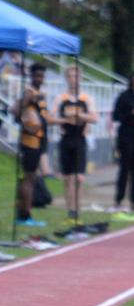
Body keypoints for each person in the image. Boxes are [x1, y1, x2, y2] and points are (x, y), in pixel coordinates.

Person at [53, 65, 98, 224]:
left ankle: (77, 210)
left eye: (77, 76)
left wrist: (80, 115)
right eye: (71, 76)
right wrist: (65, 119)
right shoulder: (61, 98)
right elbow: (51, 119)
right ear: (67, 78)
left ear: (81, 79)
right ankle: (70, 211)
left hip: (80, 139)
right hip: (66, 139)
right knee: (67, 178)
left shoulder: (86, 99)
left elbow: (94, 118)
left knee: (79, 177)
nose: (74, 79)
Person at [13, 63, 55, 226]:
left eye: (42, 76)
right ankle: (24, 215)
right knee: (29, 178)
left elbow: (45, 117)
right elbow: (16, 110)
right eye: (37, 75)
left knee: (31, 177)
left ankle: (24, 213)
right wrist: (27, 125)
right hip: (30, 141)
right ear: (31, 76)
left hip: (39, 140)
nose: (40, 78)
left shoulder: (39, 93)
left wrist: (63, 120)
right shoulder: (29, 92)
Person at [111, 74, 134, 216]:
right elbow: (115, 116)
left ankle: (133, 201)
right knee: (124, 169)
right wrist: (129, 113)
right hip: (125, 136)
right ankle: (118, 200)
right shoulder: (123, 96)